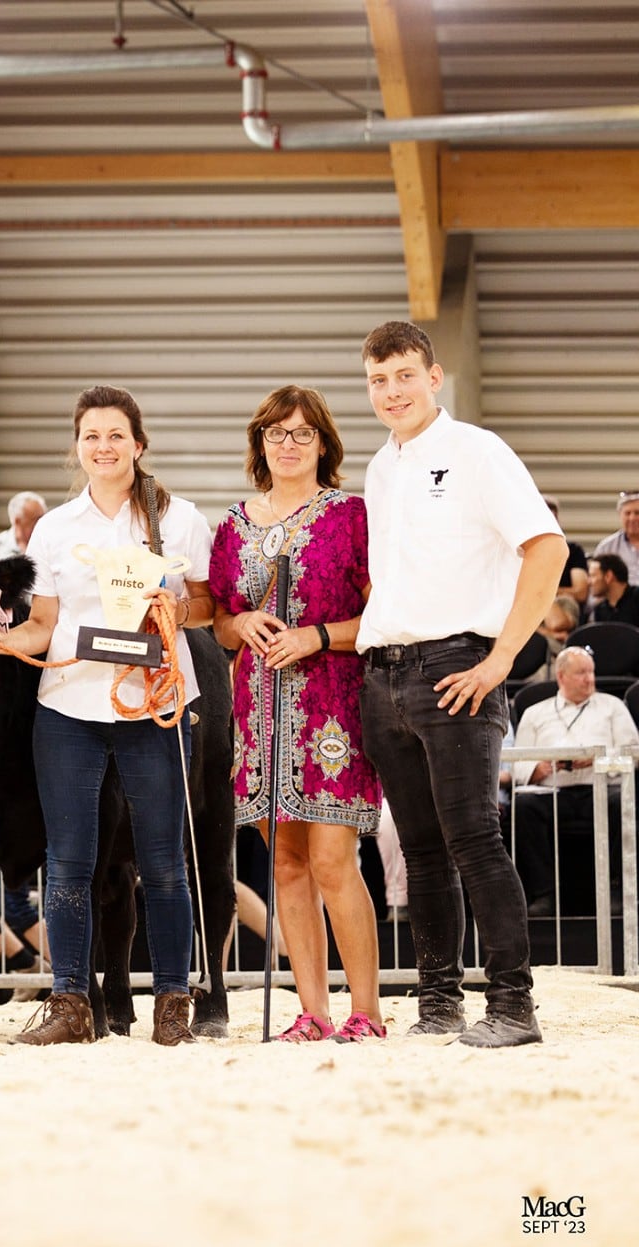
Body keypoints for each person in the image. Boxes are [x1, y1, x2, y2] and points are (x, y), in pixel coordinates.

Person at [0, 384, 215, 1047]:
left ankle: (172, 1002)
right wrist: (0, 640)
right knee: (69, 861)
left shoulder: (179, 519)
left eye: (115, 436)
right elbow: (44, 625)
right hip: (69, 708)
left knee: (162, 863)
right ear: (77, 446)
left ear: (138, 444)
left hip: (157, 705)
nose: (103, 447)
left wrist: (175, 609)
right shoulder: (54, 528)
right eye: (91, 436)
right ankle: (70, 1003)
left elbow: (209, 606)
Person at [355, 319, 566, 1048]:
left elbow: (547, 548)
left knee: (475, 838)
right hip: (384, 672)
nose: (391, 391)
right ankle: (439, 1002)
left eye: (403, 376)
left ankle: (513, 1006)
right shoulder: (380, 468)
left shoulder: (478, 451)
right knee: (419, 850)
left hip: (457, 665)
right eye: (377, 380)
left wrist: (502, 659)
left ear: (434, 377)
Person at [209, 385, 385, 1043]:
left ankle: (365, 1010)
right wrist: (240, 623)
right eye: (277, 432)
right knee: (285, 864)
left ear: (323, 443)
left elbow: (382, 614)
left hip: (333, 706)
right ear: (260, 443)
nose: (288, 443)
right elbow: (220, 620)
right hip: (257, 712)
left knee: (334, 860)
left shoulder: (352, 516)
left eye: (302, 432)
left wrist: (317, 636)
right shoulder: (233, 526)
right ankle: (312, 1011)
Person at [509, 647, 638, 916]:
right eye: (581, 673)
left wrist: (597, 760)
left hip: (600, 788)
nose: (589, 679)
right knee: (523, 807)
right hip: (552, 791)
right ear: (561, 676)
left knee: (622, 803)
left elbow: (633, 752)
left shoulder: (612, 706)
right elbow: (517, 763)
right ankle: (543, 893)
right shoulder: (535, 713)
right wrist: (541, 768)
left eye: (591, 672)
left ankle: (617, 889)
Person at [0, 490, 47, 567]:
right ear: (17, 521)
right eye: (36, 520)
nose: (41, 524)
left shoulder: (47, 543)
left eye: (43, 519)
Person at [590, 492, 639, 585]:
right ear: (620, 515)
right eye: (627, 513)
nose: (632, 518)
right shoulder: (606, 548)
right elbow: (595, 583)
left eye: (637, 513)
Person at [547, 500, 589, 606]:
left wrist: (542, 593)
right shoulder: (522, 553)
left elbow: (580, 593)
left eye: (553, 520)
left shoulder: (573, 550)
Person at [585, 555, 639, 626]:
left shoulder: (636, 598)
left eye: (592, 576)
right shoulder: (600, 611)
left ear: (608, 576)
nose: (588, 582)